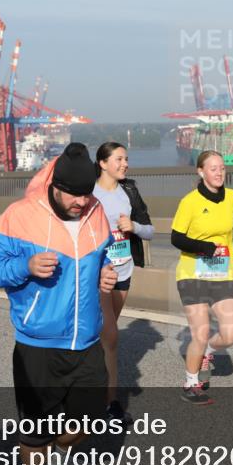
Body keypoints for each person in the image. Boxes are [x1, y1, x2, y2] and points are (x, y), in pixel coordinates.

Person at [0, 142, 117, 465]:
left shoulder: (96, 211)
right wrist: (24, 265)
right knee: (35, 431)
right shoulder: (20, 216)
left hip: (87, 339)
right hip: (38, 344)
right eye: (73, 193)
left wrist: (105, 274)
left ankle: (59, 457)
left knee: (88, 420)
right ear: (55, 186)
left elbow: (104, 258)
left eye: (87, 193)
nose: (80, 201)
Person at [170, 150, 233, 405]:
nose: (219, 172)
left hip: (222, 273)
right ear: (201, 172)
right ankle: (191, 383)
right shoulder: (189, 202)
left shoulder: (232, 197)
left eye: (222, 168)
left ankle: (208, 352)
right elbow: (176, 238)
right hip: (193, 273)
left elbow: (221, 225)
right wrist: (204, 248)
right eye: (213, 168)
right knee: (200, 333)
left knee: (232, 334)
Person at [91, 141, 154, 421]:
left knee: (104, 337)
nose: (124, 164)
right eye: (118, 159)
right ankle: (110, 404)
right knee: (112, 337)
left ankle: (95, 387)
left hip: (124, 271)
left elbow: (150, 231)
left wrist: (134, 227)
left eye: (126, 159)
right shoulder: (88, 194)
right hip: (98, 274)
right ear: (102, 163)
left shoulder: (129, 190)